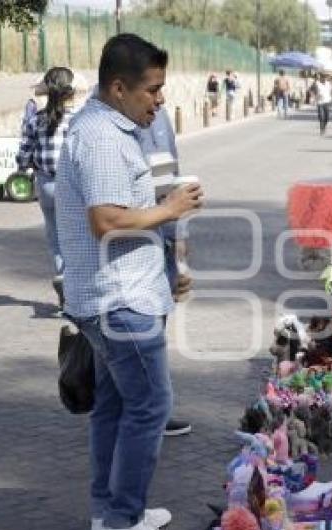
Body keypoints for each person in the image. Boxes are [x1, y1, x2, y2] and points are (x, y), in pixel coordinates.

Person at [55, 33, 202, 530]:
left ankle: (109, 509)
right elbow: (107, 220)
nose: (160, 100)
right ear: (119, 88)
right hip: (118, 297)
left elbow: (122, 204)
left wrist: (165, 216)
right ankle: (123, 520)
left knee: (115, 405)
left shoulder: (112, 128)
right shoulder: (100, 137)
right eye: (153, 90)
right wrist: (171, 208)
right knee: (151, 404)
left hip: (120, 292)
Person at [136, 103, 195, 438]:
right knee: (140, 337)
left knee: (155, 330)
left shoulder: (158, 117)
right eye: (153, 89)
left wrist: (179, 240)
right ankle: (148, 413)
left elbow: (171, 179)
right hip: (132, 248)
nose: (158, 98)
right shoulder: (103, 130)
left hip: (162, 238)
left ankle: (152, 411)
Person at [15, 68, 80, 309]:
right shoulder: (78, 119)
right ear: (69, 92)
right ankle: (74, 285)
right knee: (76, 236)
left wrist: (22, 168)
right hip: (71, 186)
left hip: (45, 184)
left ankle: (63, 277)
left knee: (55, 238)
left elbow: (24, 153)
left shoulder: (35, 119)